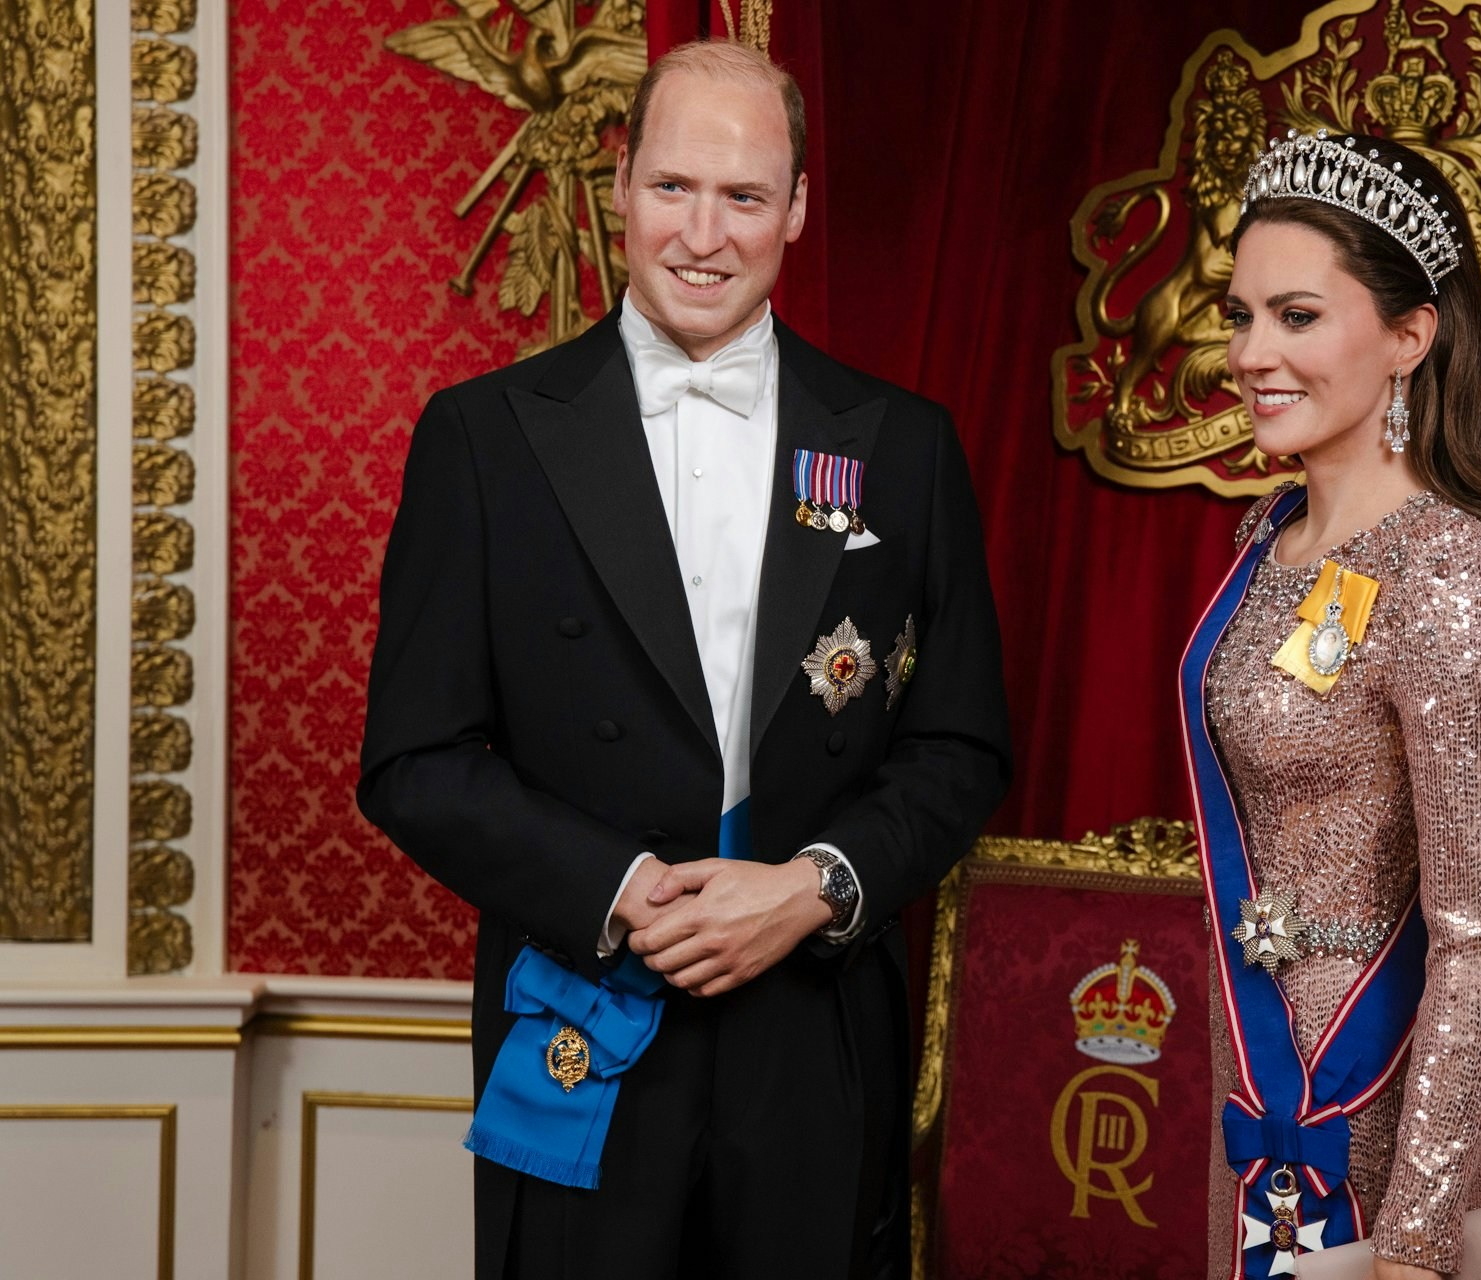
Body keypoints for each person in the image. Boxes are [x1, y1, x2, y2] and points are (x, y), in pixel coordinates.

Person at [358, 39, 1009, 1279]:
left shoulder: (902, 447)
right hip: (580, 1008)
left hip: (813, 1027)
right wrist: (621, 890)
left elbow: (961, 743)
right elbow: (414, 758)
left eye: (744, 196)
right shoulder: (484, 439)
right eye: (672, 188)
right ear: (618, 185)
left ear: (798, 209)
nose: (702, 235)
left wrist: (815, 883)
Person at [1181, 130, 1481, 1278]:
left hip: (1383, 1117)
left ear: (1407, 335)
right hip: (1254, 1089)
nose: (1253, 351)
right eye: (1240, 314)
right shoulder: (1265, 537)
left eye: (1296, 316)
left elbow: (1479, 940)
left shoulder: (1445, 568)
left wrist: (1414, 1236)